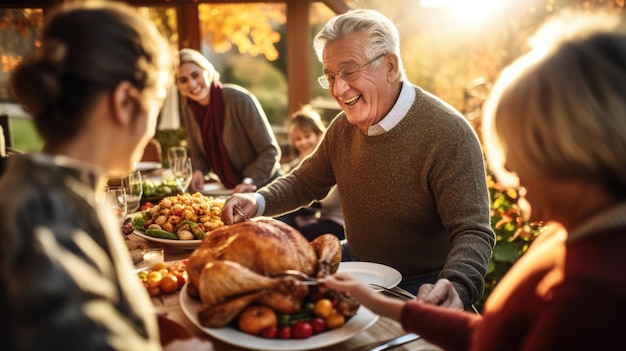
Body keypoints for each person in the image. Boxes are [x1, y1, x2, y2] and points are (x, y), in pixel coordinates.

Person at [324, 11, 626, 350]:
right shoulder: (567, 236)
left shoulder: (591, 294)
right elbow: (490, 336)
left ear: (571, 149)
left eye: (519, 147)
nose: (508, 165)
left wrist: (452, 284)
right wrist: (381, 304)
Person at [222, 9, 495, 310]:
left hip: (422, 284)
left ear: (390, 66)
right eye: (330, 76)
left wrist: (457, 284)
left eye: (349, 71)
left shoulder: (448, 133)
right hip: (355, 265)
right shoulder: (343, 127)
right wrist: (257, 201)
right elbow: (305, 182)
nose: (339, 89)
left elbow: (473, 230)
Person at [0, 2, 213, 350]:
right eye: (157, 102)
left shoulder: (48, 190)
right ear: (124, 101)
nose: (151, 130)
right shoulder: (46, 223)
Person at [175, 48, 282, 194]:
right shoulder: (188, 110)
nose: (192, 84)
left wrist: (249, 181)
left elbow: (270, 152)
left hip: (265, 188)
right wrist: (198, 171)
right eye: (183, 80)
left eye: (195, 75)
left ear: (208, 71)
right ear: (178, 86)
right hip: (229, 190)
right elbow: (198, 154)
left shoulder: (238, 99)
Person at [285, 105, 345, 241]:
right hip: (315, 218)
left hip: (336, 221)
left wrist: (297, 200)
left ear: (318, 135)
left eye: (307, 136)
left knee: (296, 238)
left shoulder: (329, 161)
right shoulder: (296, 163)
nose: (303, 142)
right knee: (282, 227)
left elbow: (327, 201)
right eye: (298, 139)